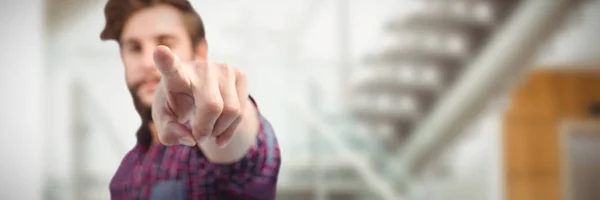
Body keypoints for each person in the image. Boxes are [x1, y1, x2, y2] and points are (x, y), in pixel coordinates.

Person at [99, 0, 281, 199]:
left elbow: (240, 142)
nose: (146, 63)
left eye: (166, 44)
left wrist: (221, 108)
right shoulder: (125, 171)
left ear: (200, 52)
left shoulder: (201, 153)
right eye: (134, 48)